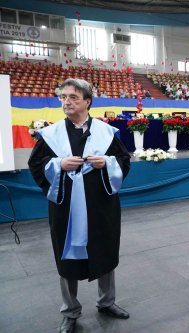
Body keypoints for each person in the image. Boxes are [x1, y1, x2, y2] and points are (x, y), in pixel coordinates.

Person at [28, 78, 131, 333]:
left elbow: (123, 161)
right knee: (66, 256)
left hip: (101, 205)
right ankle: (70, 310)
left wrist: (106, 162)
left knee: (105, 249)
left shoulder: (106, 132)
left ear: (87, 101)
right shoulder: (51, 135)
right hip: (66, 207)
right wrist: (58, 165)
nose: (66, 102)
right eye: (63, 97)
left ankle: (107, 301)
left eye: (73, 97)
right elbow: (36, 164)